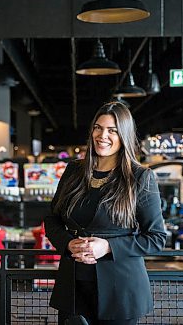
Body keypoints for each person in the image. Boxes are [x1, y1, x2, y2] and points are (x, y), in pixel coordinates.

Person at [44, 101, 167, 325]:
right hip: (73, 288)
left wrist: (108, 246)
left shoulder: (140, 178)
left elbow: (156, 238)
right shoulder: (74, 170)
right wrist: (68, 244)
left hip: (120, 290)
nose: (103, 135)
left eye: (113, 130)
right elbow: (52, 219)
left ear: (125, 135)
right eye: (98, 128)